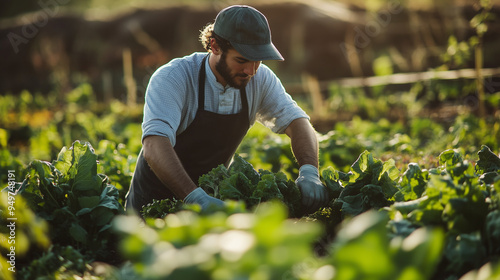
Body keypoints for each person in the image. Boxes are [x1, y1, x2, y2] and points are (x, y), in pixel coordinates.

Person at [125, 5, 329, 214]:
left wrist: (309, 170)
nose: (250, 71)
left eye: (257, 61)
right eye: (241, 60)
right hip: (150, 208)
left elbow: (297, 121)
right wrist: (195, 197)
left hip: (211, 206)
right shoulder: (174, 78)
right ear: (214, 46)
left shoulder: (260, 79)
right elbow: (154, 143)